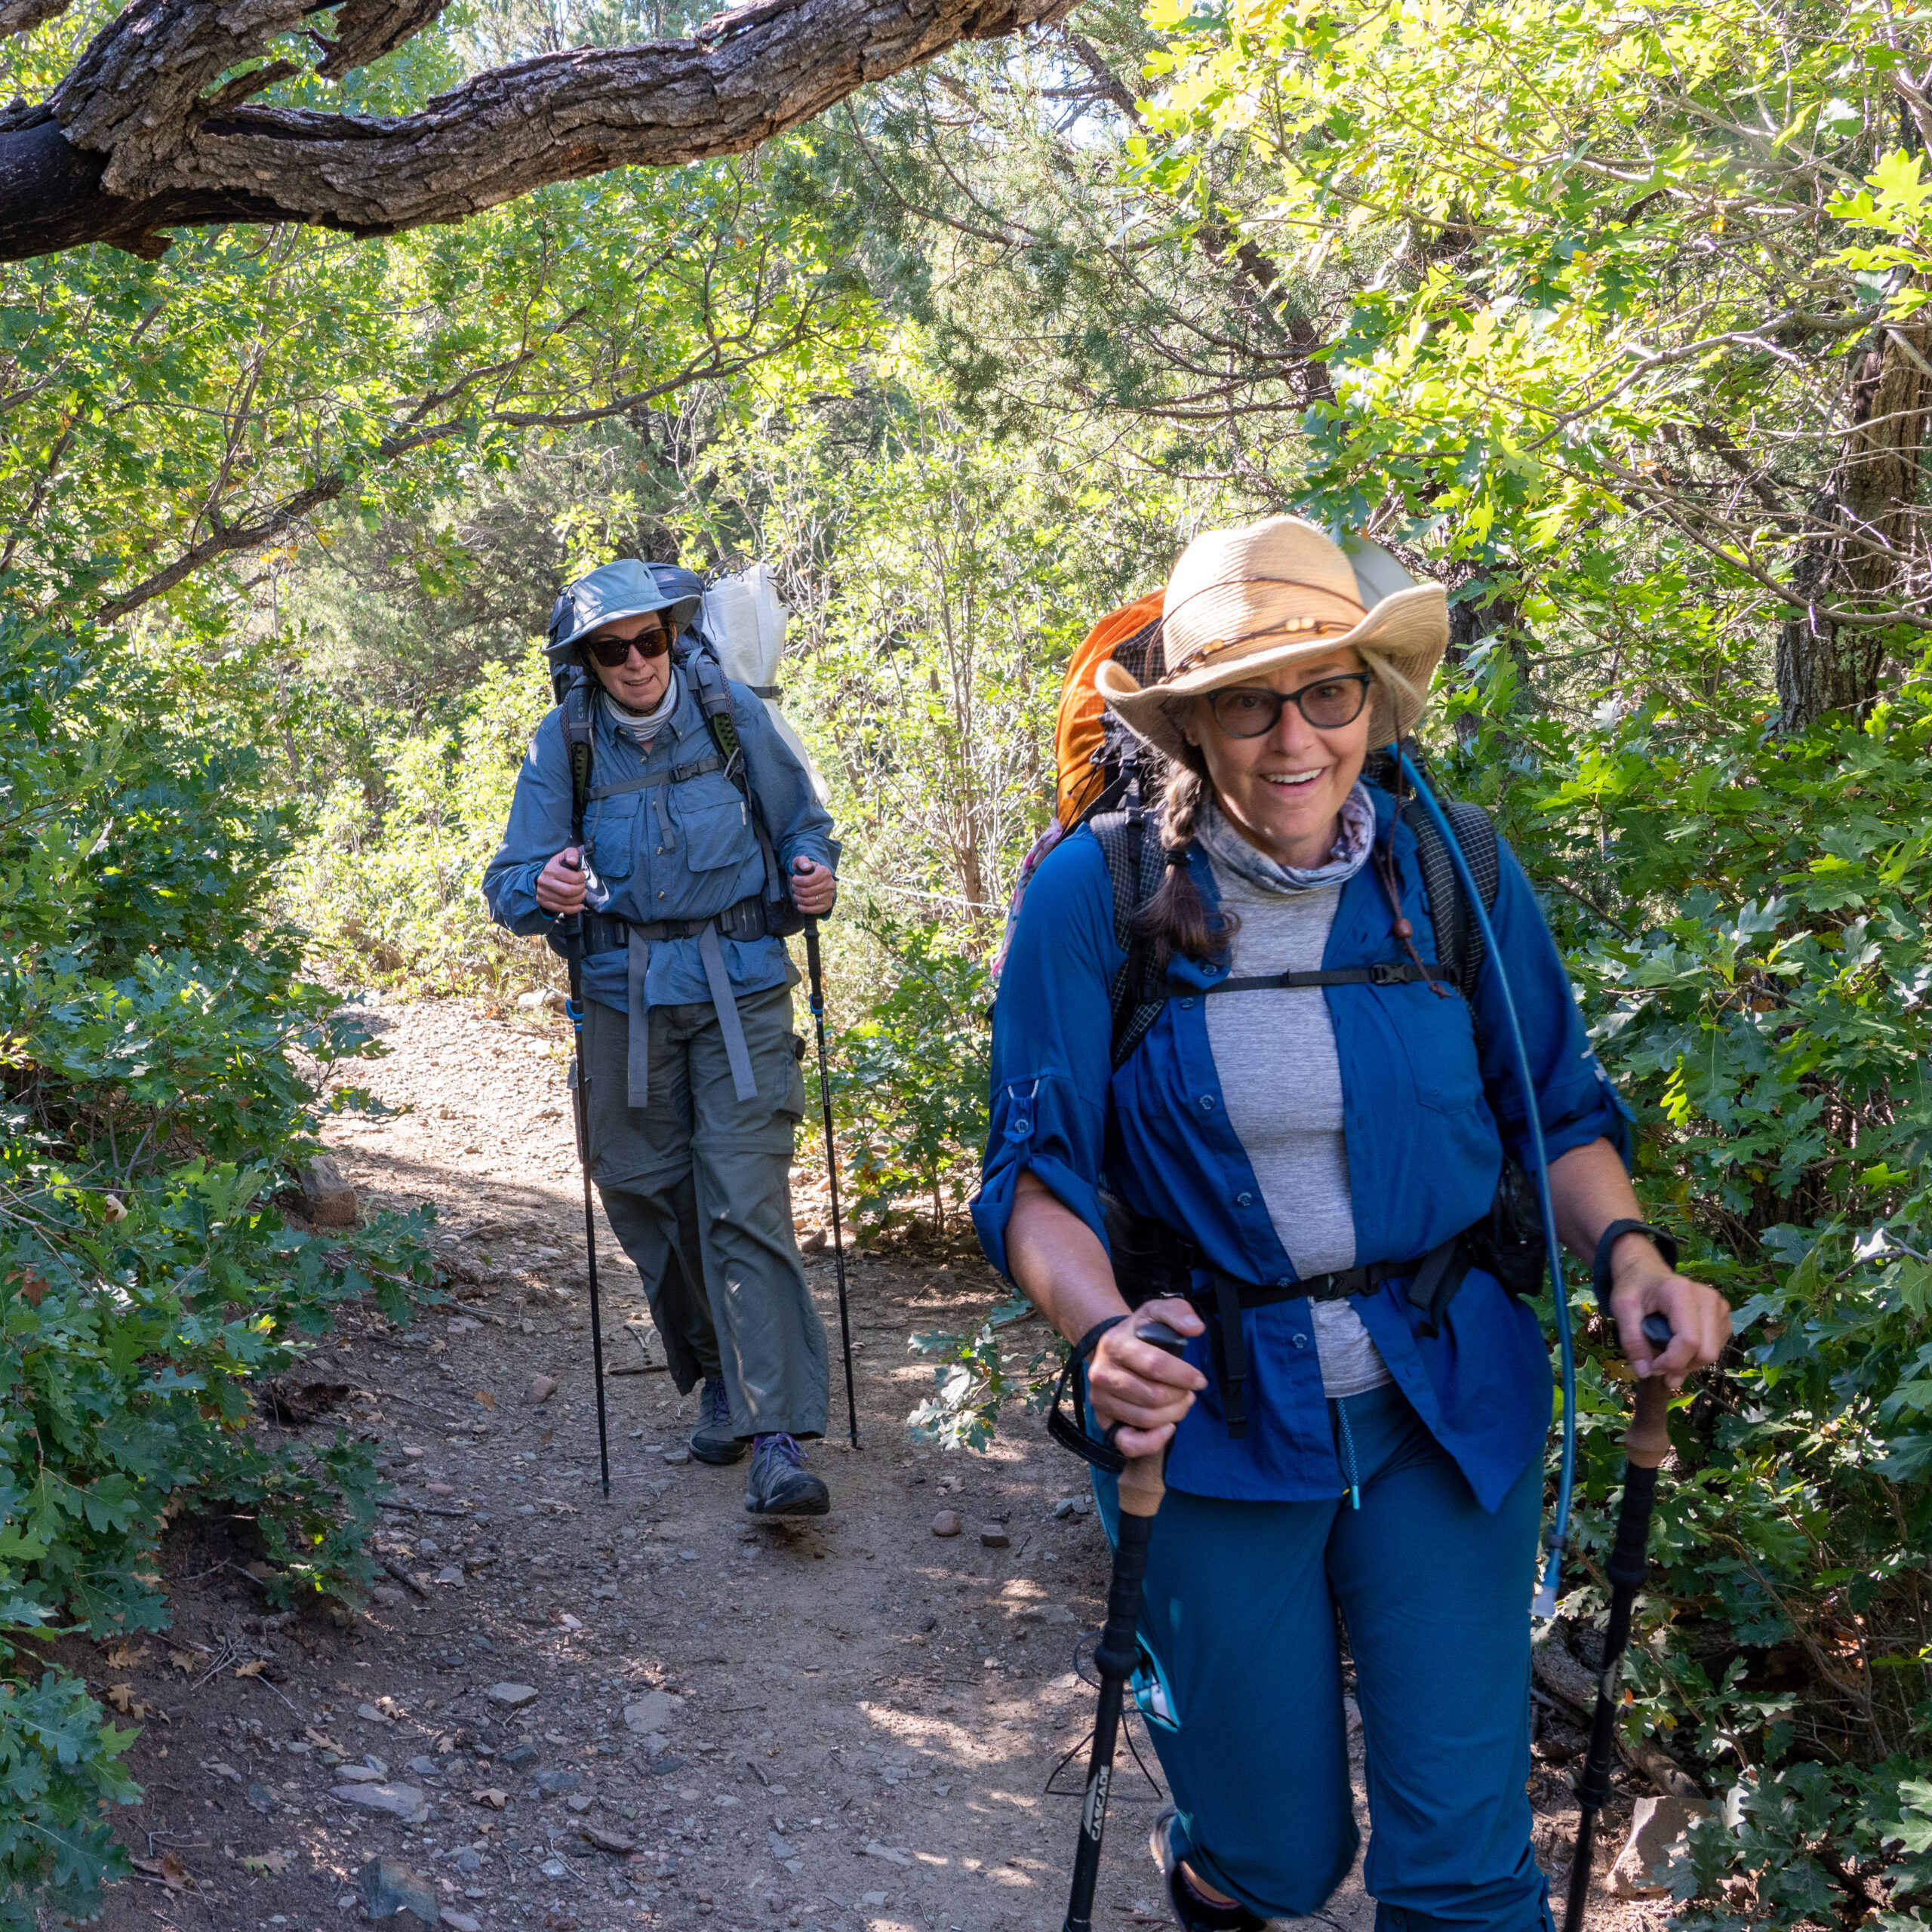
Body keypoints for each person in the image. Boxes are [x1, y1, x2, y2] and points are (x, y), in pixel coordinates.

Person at [973, 518, 1732, 1931]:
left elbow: (1555, 1109)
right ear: (1193, 721)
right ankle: (1224, 1880)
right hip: (1209, 1414)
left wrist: (1632, 1255)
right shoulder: (1101, 894)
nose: (1293, 736)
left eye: (1327, 691)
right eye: (1249, 700)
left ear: (1372, 700)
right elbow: (1033, 1173)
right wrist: (1102, 1330)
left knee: (1464, 1865)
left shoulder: (1456, 872)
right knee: (1274, 1856)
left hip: (1445, 1396)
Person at [484, 559, 841, 1516]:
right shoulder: (565, 746)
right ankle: (718, 1372)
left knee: (743, 1199)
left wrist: (812, 874)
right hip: (624, 1002)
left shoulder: (732, 719)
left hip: (743, 989)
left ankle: (776, 1434)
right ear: (586, 661)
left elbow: (806, 826)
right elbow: (508, 882)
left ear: (677, 636)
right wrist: (542, 889)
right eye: (614, 648)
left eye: (652, 639)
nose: (638, 660)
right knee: (644, 1192)